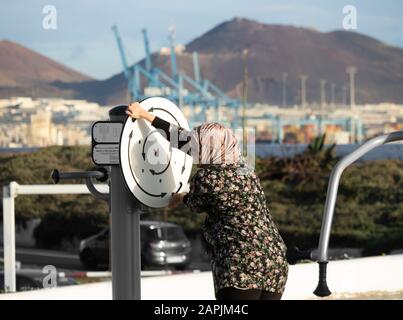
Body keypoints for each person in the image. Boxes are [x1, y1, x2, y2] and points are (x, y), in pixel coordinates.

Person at [126, 102, 288, 300]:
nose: (193, 151)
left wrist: (181, 197)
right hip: (275, 260)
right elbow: (180, 138)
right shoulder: (244, 167)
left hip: (241, 264)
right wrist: (144, 115)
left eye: (197, 147)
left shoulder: (208, 177)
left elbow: (196, 203)